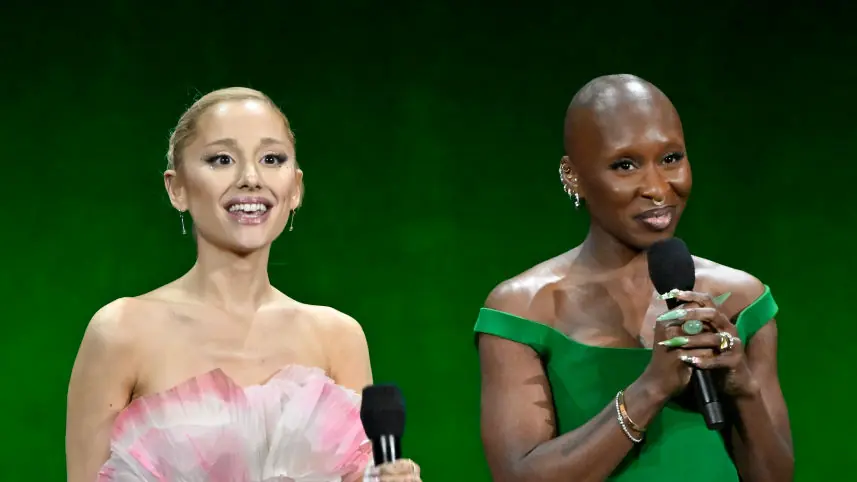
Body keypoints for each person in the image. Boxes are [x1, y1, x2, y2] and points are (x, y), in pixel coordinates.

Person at [66, 87, 422, 482]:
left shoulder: (338, 337)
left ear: (296, 188)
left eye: (272, 159)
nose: (251, 179)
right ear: (176, 187)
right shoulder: (121, 332)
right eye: (222, 159)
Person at [474, 74, 793, 481]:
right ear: (573, 175)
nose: (658, 188)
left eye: (671, 158)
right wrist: (650, 390)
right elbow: (518, 477)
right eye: (625, 165)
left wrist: (742, 387)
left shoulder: (743, 301)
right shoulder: (522, 310)